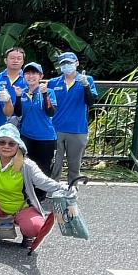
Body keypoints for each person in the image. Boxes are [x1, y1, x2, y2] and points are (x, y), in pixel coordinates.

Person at [50, 53, 97, 184]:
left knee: (74, 166)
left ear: (76, 63)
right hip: (56, 129)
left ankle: (73, 189)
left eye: (69, 63)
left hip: (77, 129)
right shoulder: (53, 82)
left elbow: (91, 102)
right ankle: (52, 190)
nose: (66, 66)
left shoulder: (87, 79)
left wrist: (86, 86)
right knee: (54, 165)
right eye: (63, 63)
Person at [14, 62, 57, 188]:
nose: (30, 76)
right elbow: (18, 113)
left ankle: (41, 195)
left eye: (34, 73)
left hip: (45, 138)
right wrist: (17, 97)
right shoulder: (22, 92)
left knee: (43, 169)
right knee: (25, 167)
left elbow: (50, 112)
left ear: (40, 76)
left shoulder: (49, 92)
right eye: (27, 73)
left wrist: (44, 94)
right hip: (26, 136)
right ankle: (26, 193)